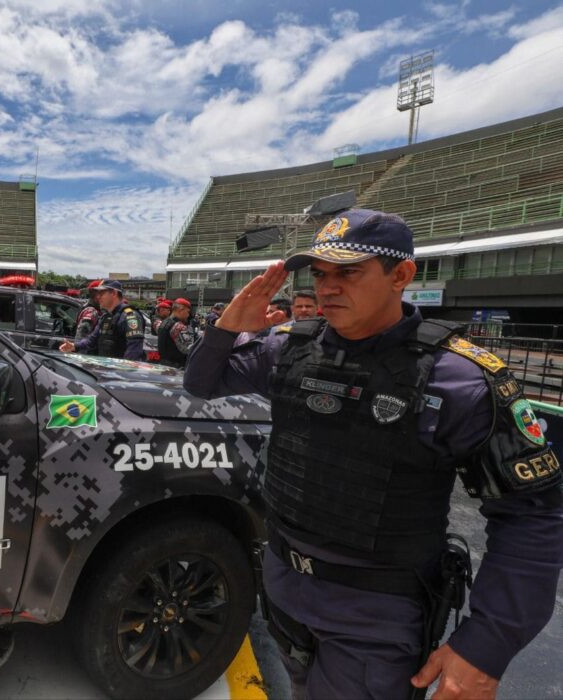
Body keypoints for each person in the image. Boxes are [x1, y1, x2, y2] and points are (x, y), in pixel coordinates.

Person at [183, 208, 562, 699]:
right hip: (281, 586)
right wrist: (230, 324)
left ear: (401, 275)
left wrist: (485, 646)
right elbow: (201, 382)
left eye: (348, 272)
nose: (327, 287)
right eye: (320, 274)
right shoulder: (289, 348)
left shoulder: (460, 378)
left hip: (373, 617)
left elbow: (532, 515)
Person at [59, 279, 145, 360]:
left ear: (114, 293)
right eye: (97, 294)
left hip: (121, 373)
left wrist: (124, 372)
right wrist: (74, 346)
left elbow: (134, 351)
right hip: (105, 371)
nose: (97, 297)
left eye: (101, 293)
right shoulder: (106, 317)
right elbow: (91, 341)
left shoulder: (130, 316)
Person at [157, 298, 197, 368]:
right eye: (188, 312)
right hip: (176, 367)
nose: (188, 315)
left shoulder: (165, 321)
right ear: (181, 310)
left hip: (164, 364)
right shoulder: (178, 326)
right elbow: (188, 349)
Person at [74, 279, 103, 349]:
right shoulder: (91, 312)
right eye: (102, 293)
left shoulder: (96, 309)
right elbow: (81, 338)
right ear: (96, 294)